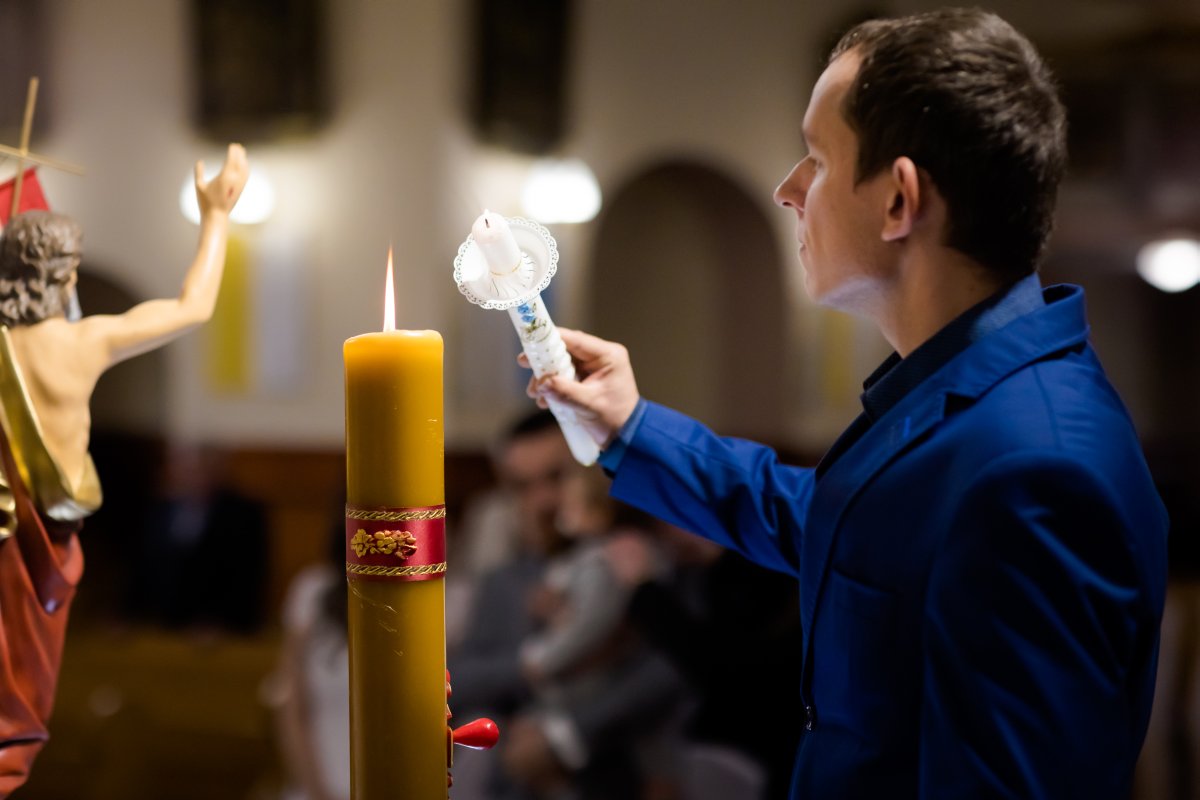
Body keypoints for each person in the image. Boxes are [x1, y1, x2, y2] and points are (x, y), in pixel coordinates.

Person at [524, 9, 1168, 798]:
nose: (789, 190)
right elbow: (843, 525)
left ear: (899, 201)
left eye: (818, 160)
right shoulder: (965, 389)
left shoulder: (1037, 470)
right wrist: (631, 425)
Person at [0, 143, 248, 793]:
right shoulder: (85, 342)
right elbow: (194, 307)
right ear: (60, 274)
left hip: (10, 531)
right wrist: (216, 217)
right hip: (46, 540)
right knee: (26, 685)